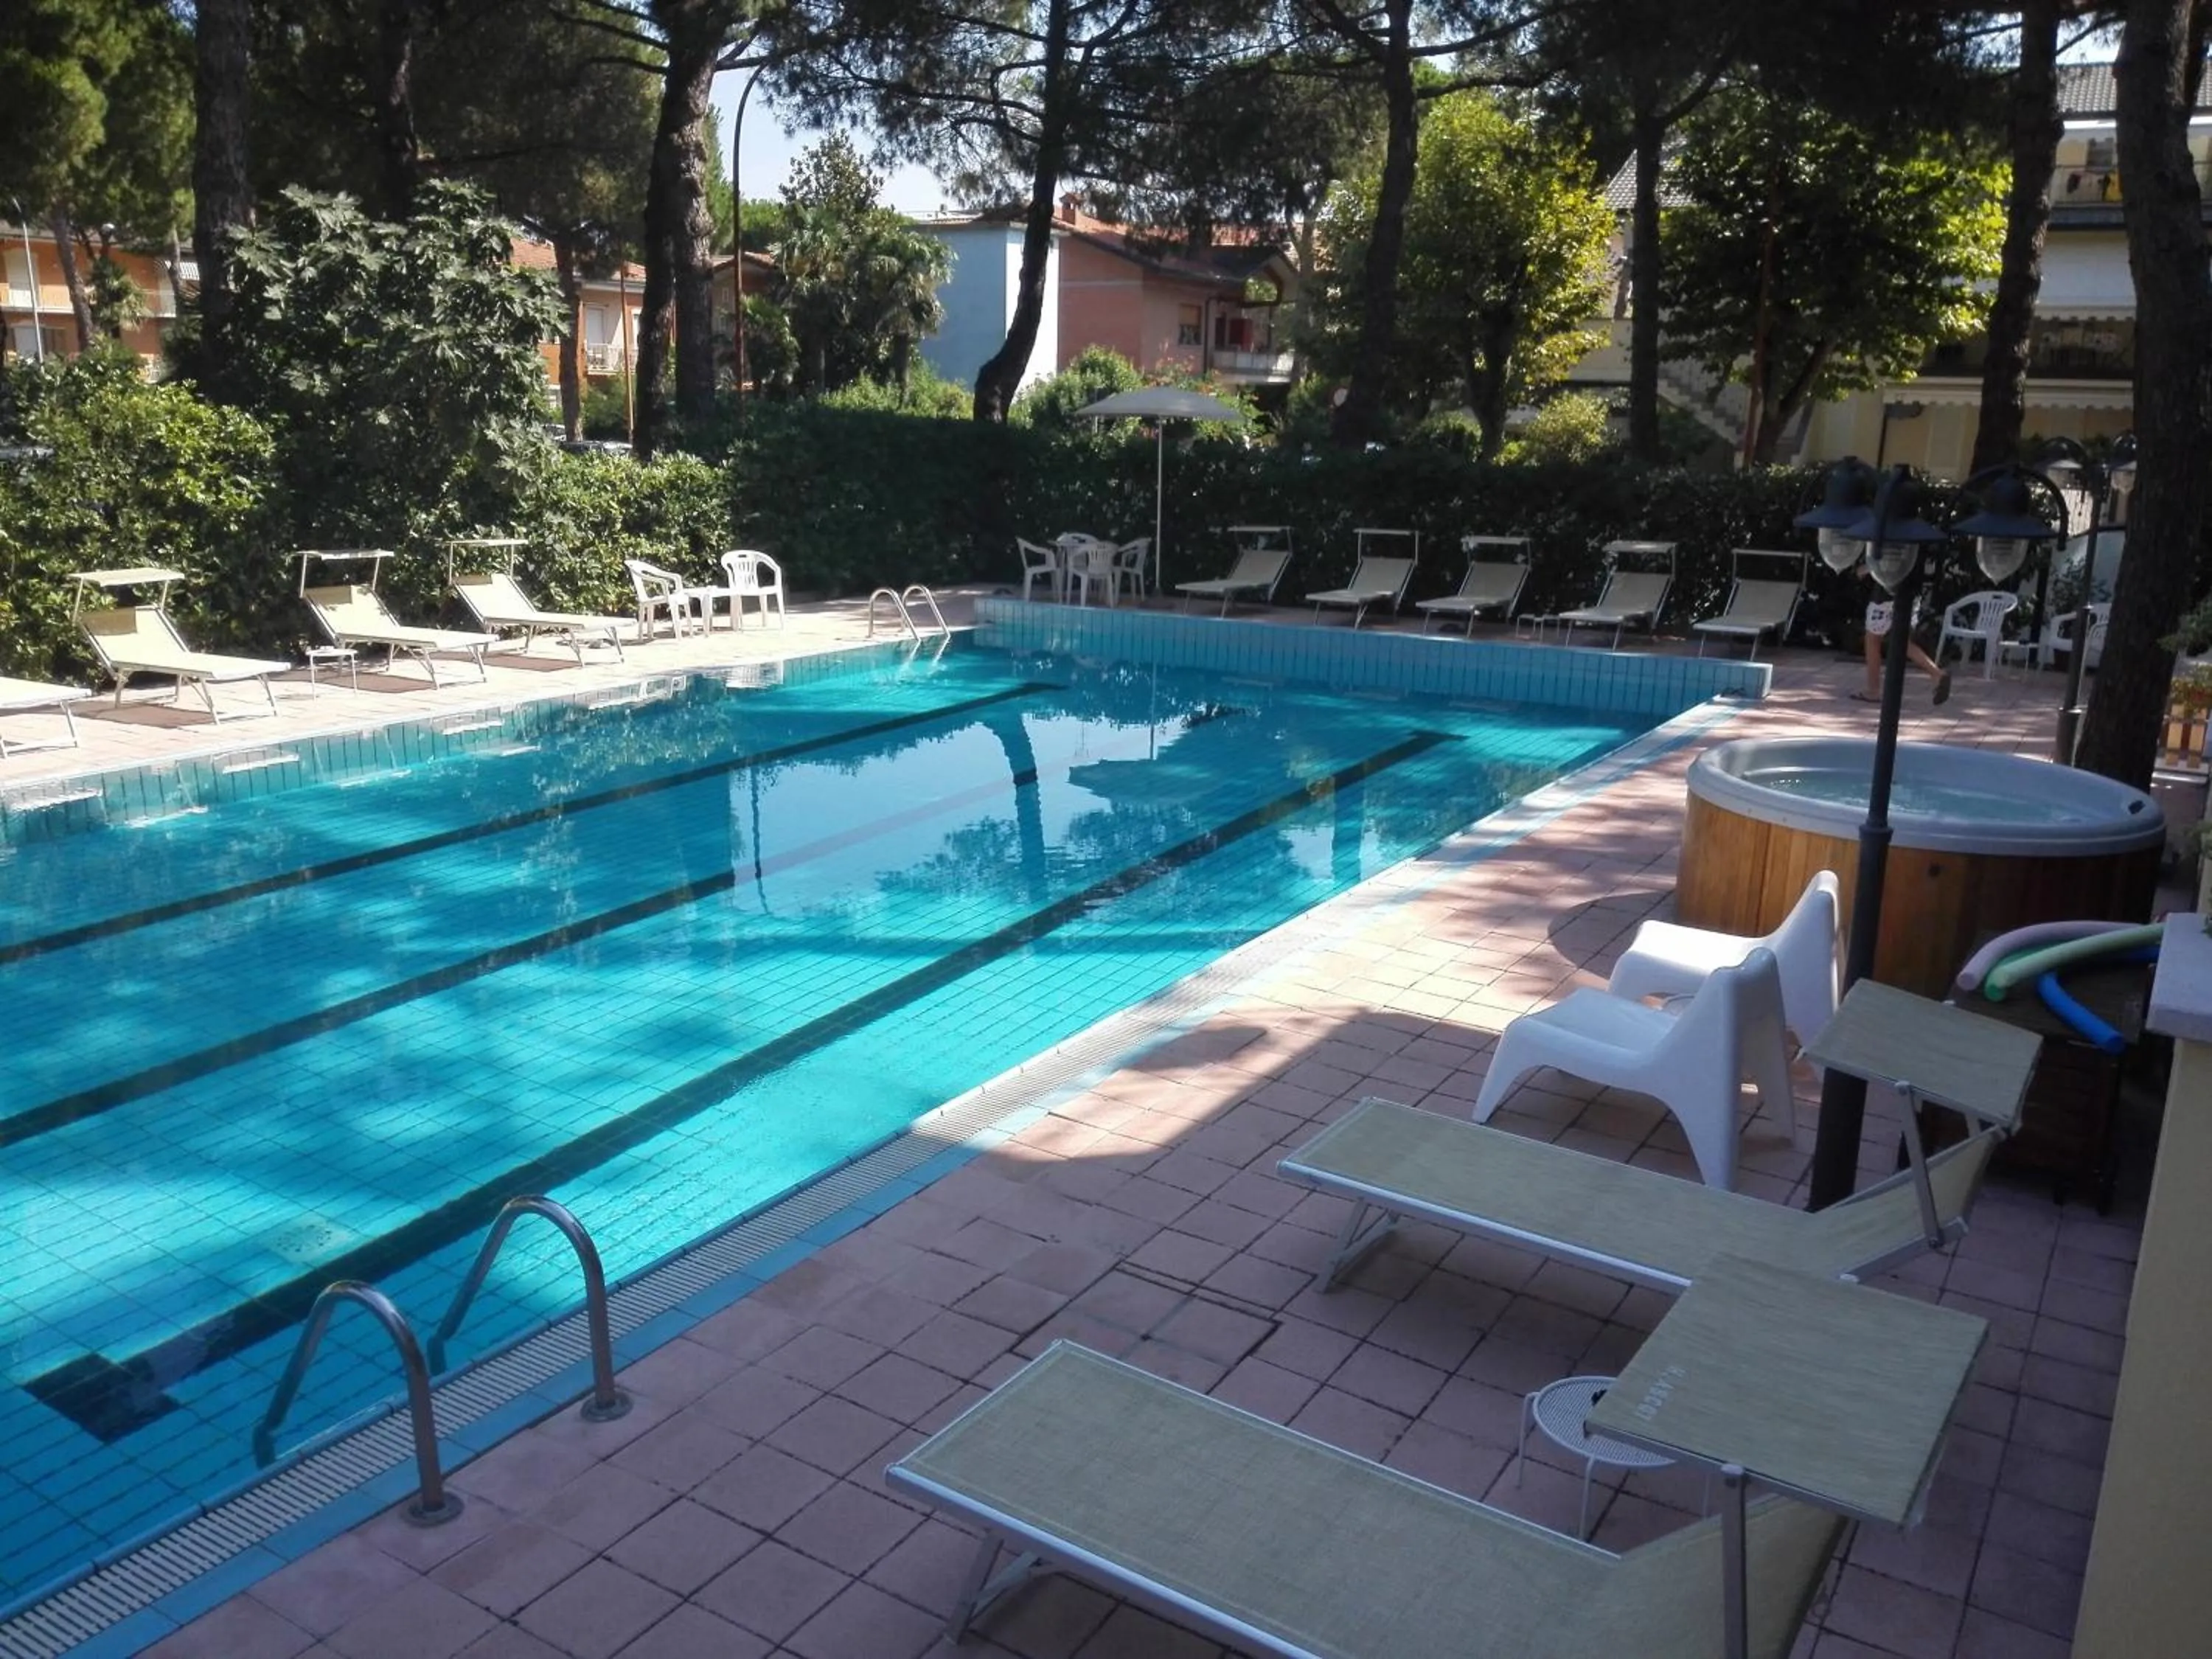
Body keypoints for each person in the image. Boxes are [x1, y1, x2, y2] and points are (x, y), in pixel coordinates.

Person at [1861, 577, 1951, 705]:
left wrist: (1866, 568)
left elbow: (1882, 564)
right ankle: (1937, 673)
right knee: (1902, 642)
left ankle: (1873, 690)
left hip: (1885, 597)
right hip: (1910, 595)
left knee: (1872, 640)